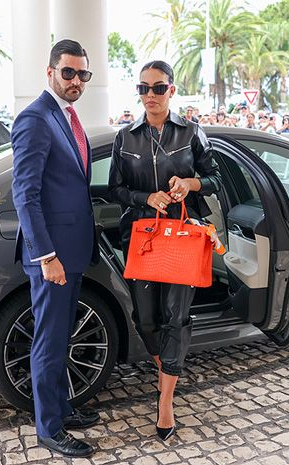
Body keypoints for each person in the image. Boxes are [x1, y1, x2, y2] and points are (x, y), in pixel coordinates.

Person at [108, 60, 221, 441]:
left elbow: (215, 179)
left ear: (172, 90)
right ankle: (167, 370)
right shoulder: (126, 137)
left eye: (158, 88)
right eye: (143, 88)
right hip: (143, 236)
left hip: (184, 235)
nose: (150, 95)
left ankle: (166, 400)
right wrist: (146, 196)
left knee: (175, 315)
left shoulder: (191, 133)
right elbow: (116, 190)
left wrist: (191, 183)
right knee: (145, 320)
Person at [10, 39, 100, 458]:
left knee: (62, 335)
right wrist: (46, 257)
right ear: (50, 72)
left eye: (83, 74)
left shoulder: (67, 116)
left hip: (72, 250)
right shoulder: (35, 118)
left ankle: (63, 407)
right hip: (52, 257)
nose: (76, 80)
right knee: (48, 340)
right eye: (68, 72)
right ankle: (49, 428)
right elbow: (25, 196)